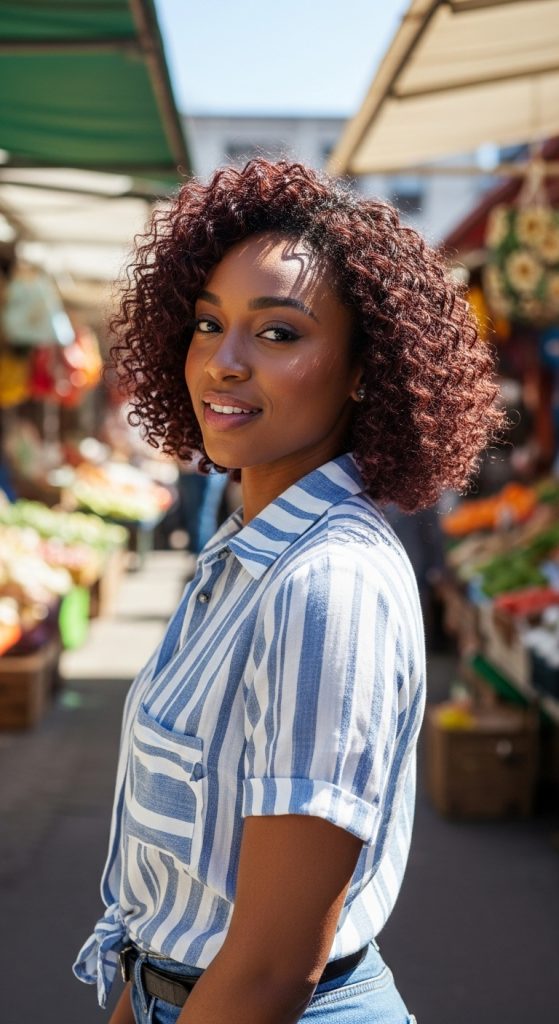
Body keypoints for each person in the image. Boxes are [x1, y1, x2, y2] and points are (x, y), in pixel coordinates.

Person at [73, 160, 502, 1023]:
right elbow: (185, 906)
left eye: (277, 333)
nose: (223, 362)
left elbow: (271, 967)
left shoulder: (325, 583)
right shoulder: (244, 554)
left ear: (361, 370)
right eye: (205, 323)